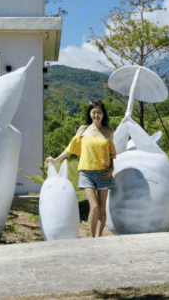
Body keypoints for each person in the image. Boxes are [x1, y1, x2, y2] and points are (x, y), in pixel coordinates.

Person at [46, 100, 117, 238]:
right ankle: (92, 238)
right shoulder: (83, 129)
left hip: (104, 173)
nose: (96, 115)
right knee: (94, 206)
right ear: (90, 113)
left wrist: (112, 168)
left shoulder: (108, 132)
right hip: (87, 173)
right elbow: (71, 148)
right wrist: (56, 160)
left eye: (99, 112)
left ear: (103, 114)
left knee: (102, 209)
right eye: (94, 112)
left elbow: (111, 153)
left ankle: (99, 236)